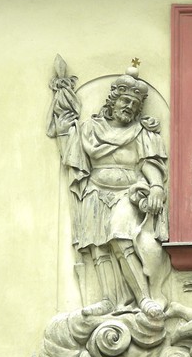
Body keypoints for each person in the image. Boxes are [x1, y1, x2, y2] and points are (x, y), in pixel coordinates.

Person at [56, 63, 169, 319]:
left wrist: (156, 186)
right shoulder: (90, 129)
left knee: (120, 237)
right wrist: (63, 125)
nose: (129, 106)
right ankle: (108, 300)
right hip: (95, 192)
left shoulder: (141, 132)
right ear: (113, 101)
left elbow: (148, 163)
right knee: (98, 247)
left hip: (127, 193)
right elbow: (73, 155)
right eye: (125, 100)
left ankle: (143, 298)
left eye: (134, 104)